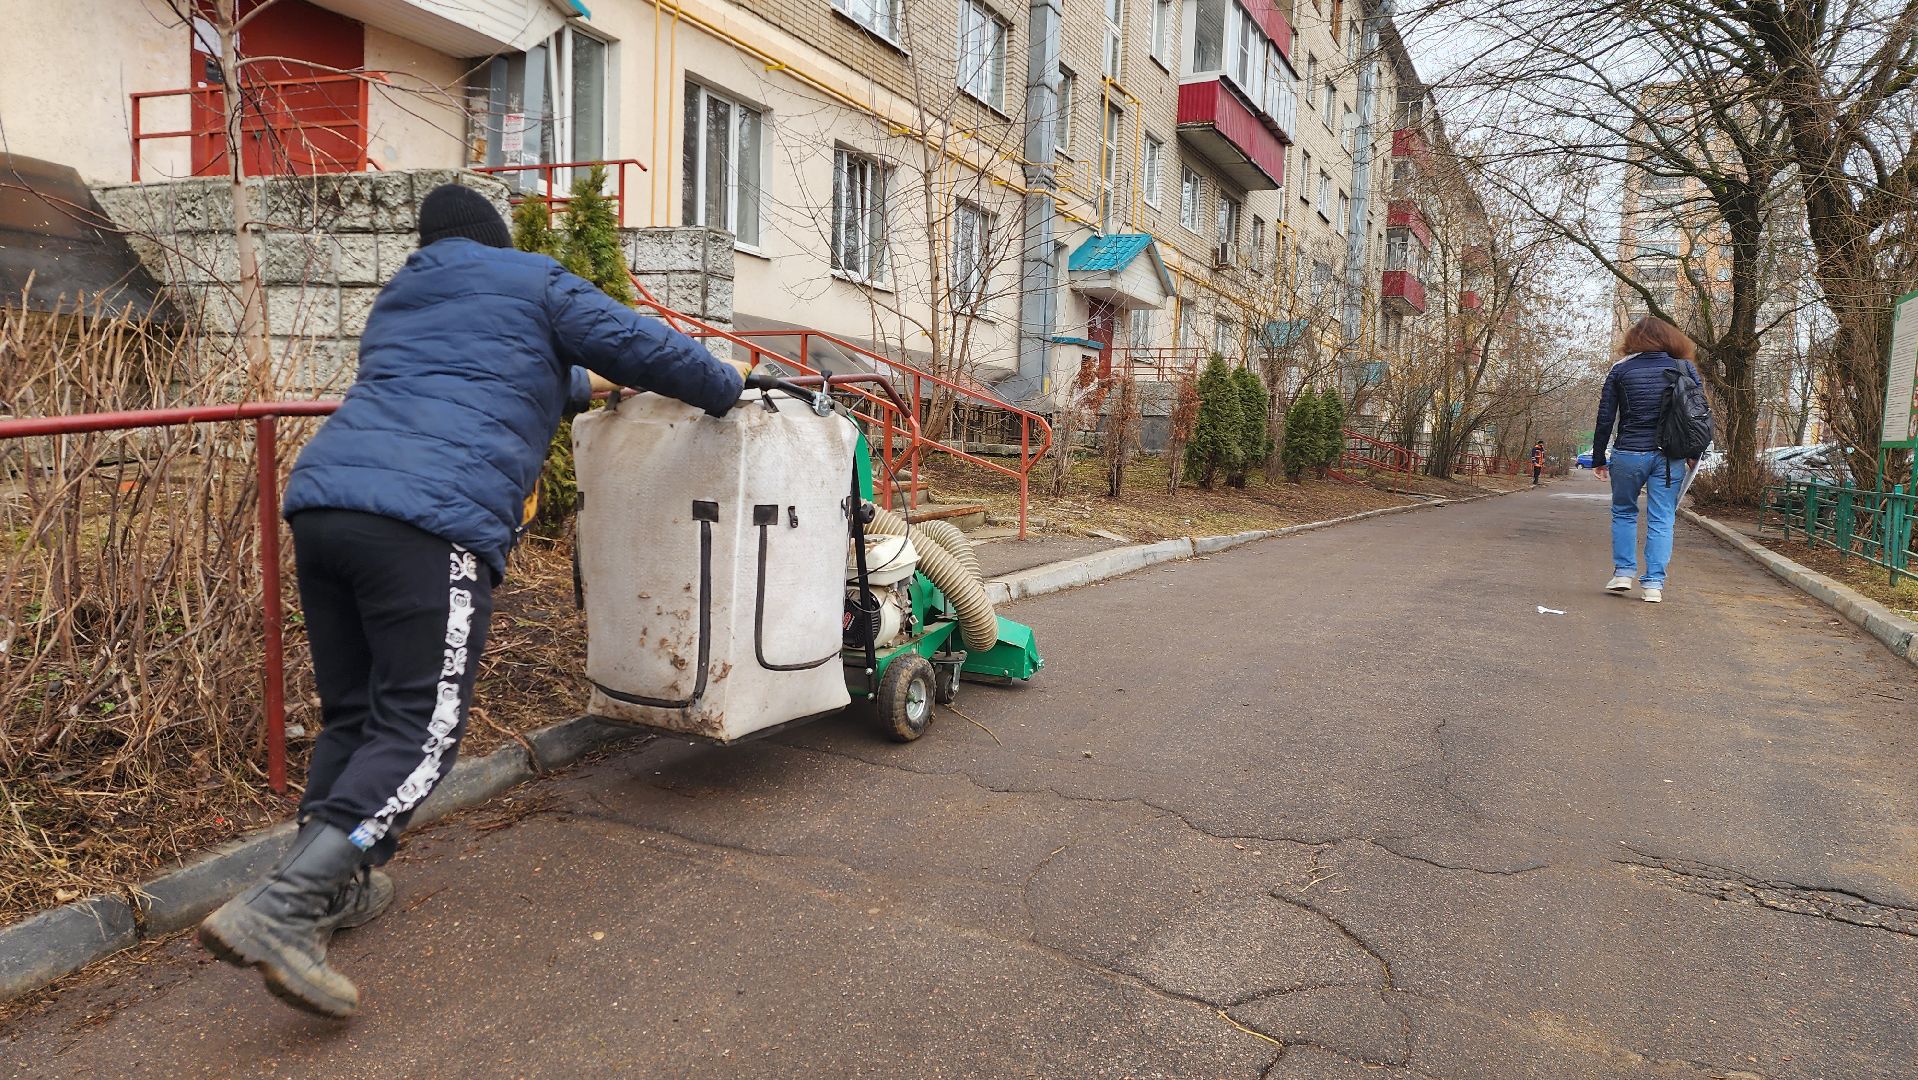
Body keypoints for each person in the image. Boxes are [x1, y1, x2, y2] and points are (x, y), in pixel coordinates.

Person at [198, 184, 747, 1018]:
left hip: (326, 505)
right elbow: (641, 346)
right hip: (429, 521)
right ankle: (282, 906)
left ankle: (335, 887)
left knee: (355, 714)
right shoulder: (533, 279)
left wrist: (574, 388)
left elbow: (515, 374)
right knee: (421, 731)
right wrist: (724, 383)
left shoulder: (403, 297)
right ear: (496, 241)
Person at [1591, 316, 1710, 604]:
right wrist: (1695, 453)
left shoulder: (1620, 370)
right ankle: (1654, 585)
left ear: (1633, 340)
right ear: (1672, 339)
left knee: (1624, 511)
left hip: (1629, 452)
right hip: (1670, 456)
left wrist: (1598, 458)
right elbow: (1698, 413)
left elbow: (1606, 416)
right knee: (1662, 518)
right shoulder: (1684, 368)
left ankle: (1623, 573)